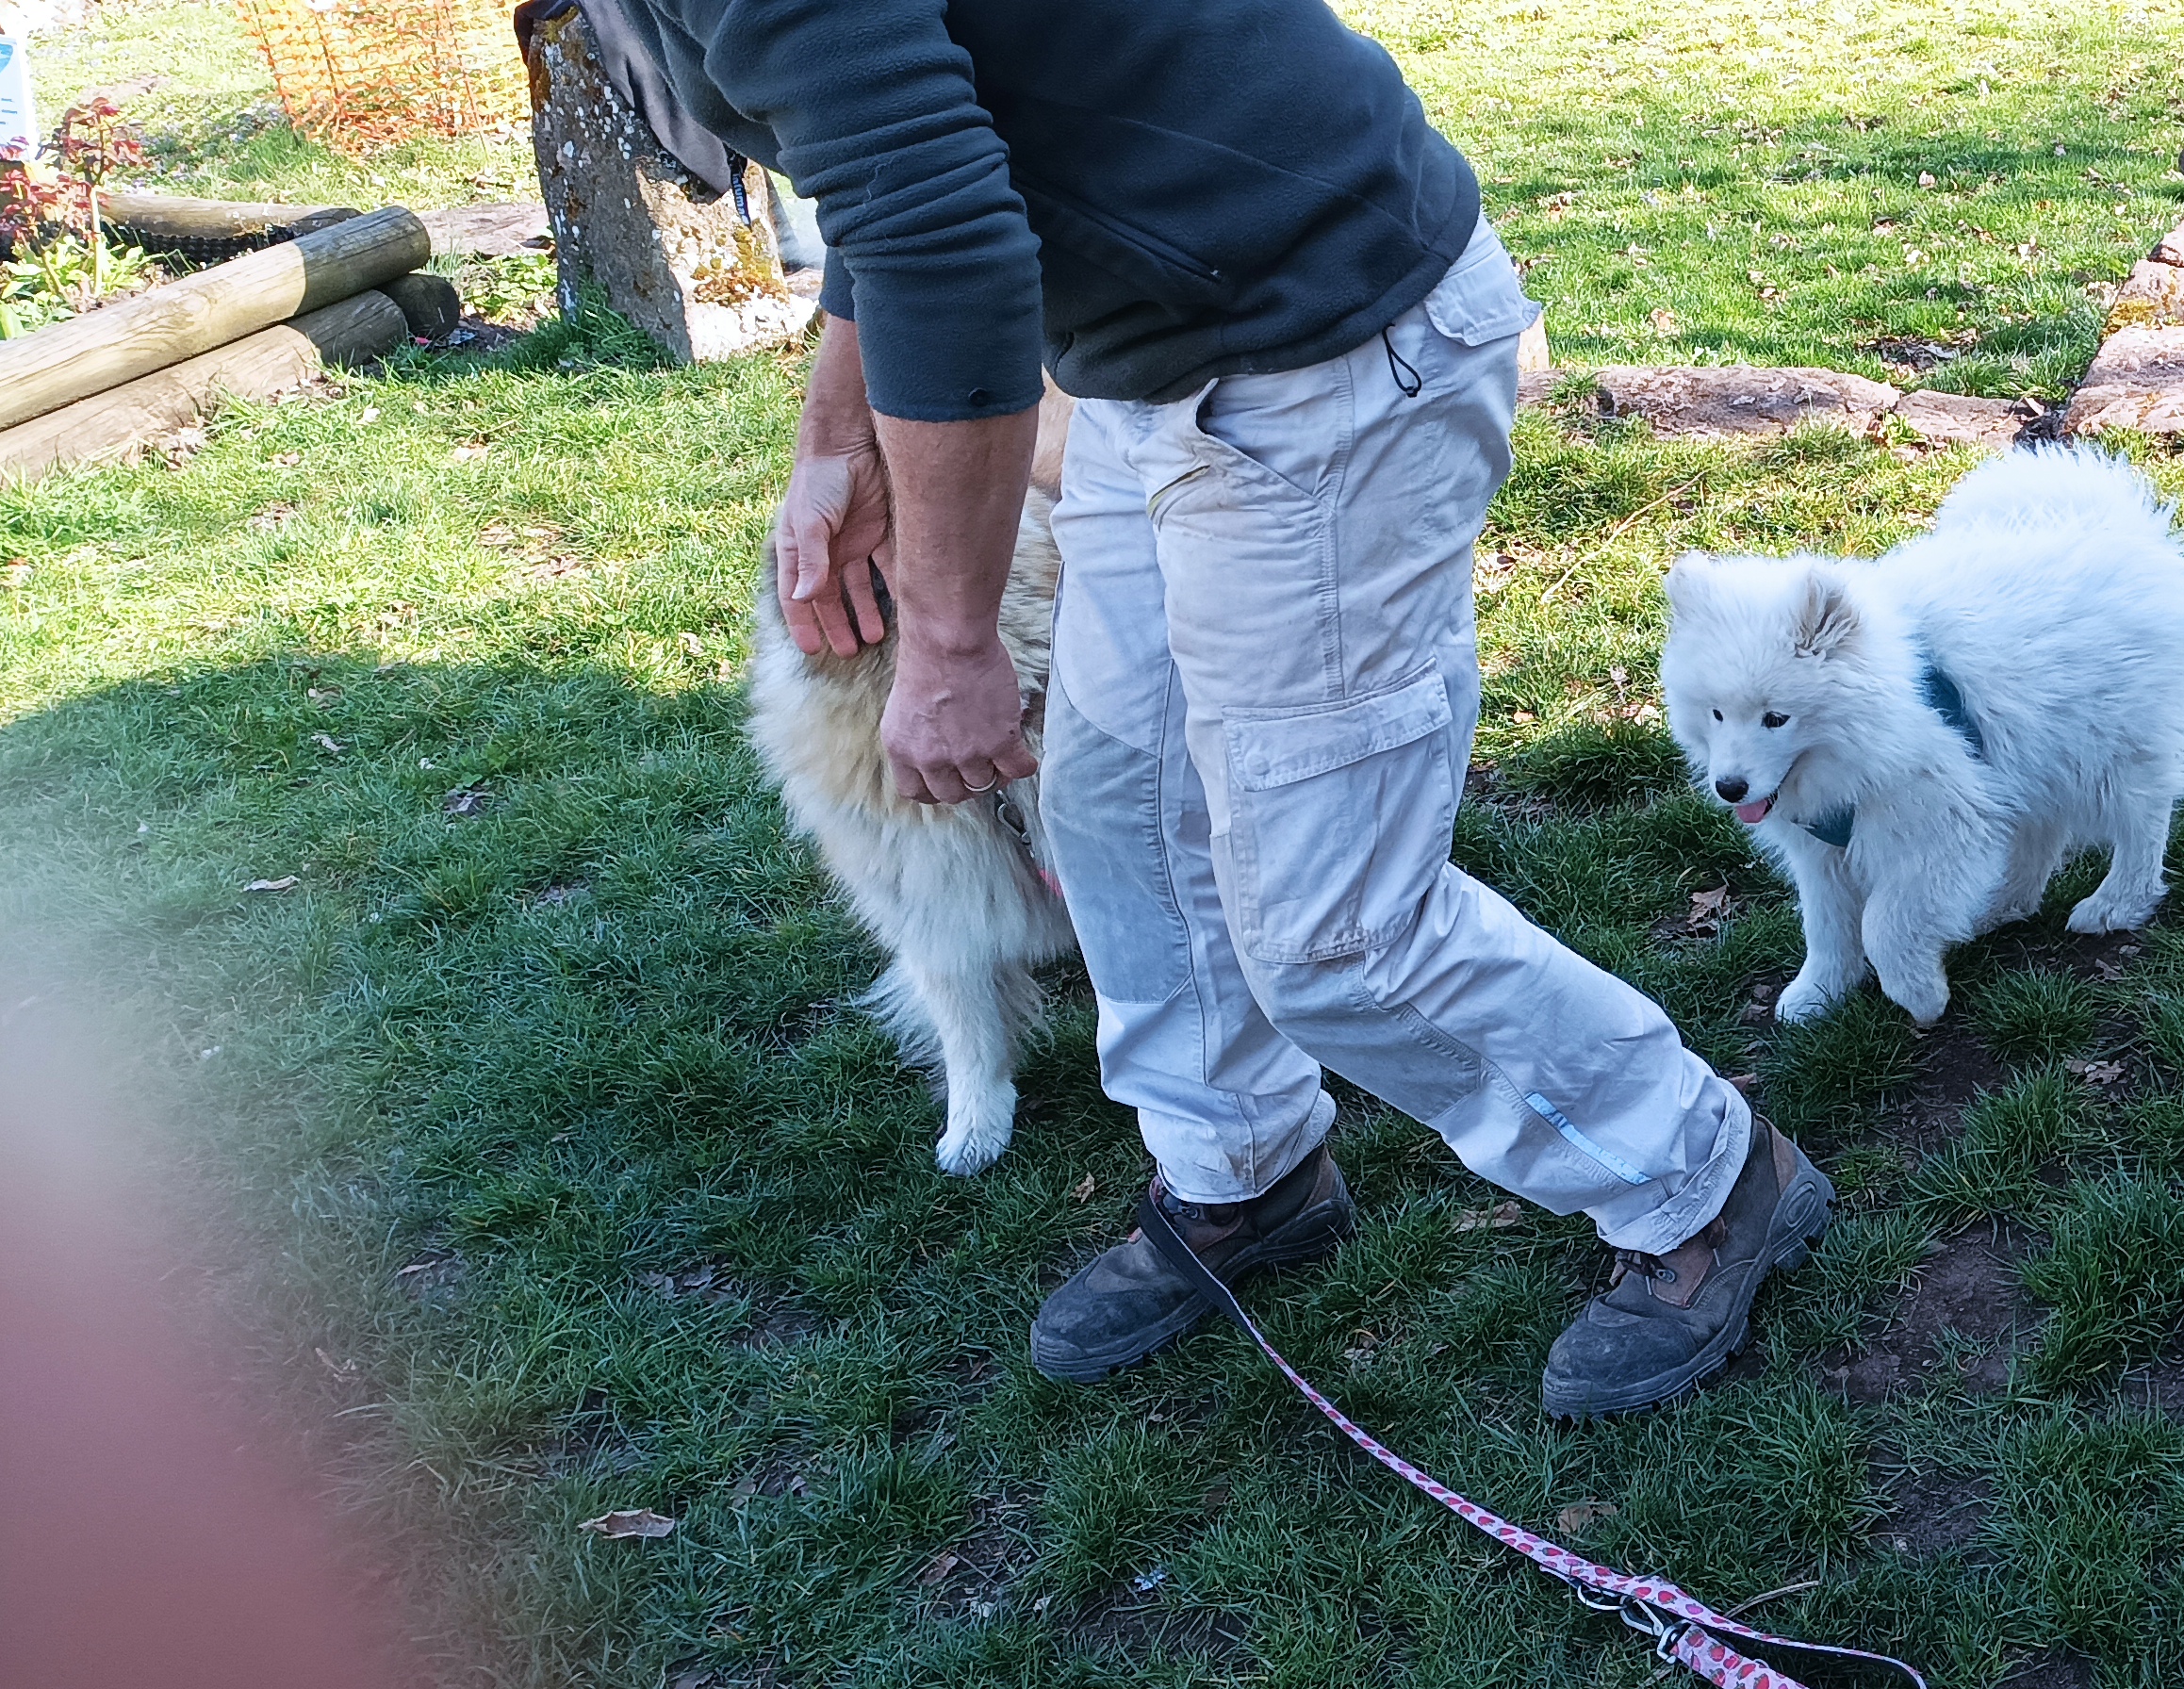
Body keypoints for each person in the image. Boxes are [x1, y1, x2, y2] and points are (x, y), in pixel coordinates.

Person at [589, 0, 1827, 1417]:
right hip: (1149, 365)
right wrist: (835, 439)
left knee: (1338, 931)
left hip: (1325, 349)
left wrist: (948, 643)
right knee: (1117, 807)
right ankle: (1245, 1166)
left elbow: (938, 230)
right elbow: (893, 156)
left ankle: (1702, 1178)